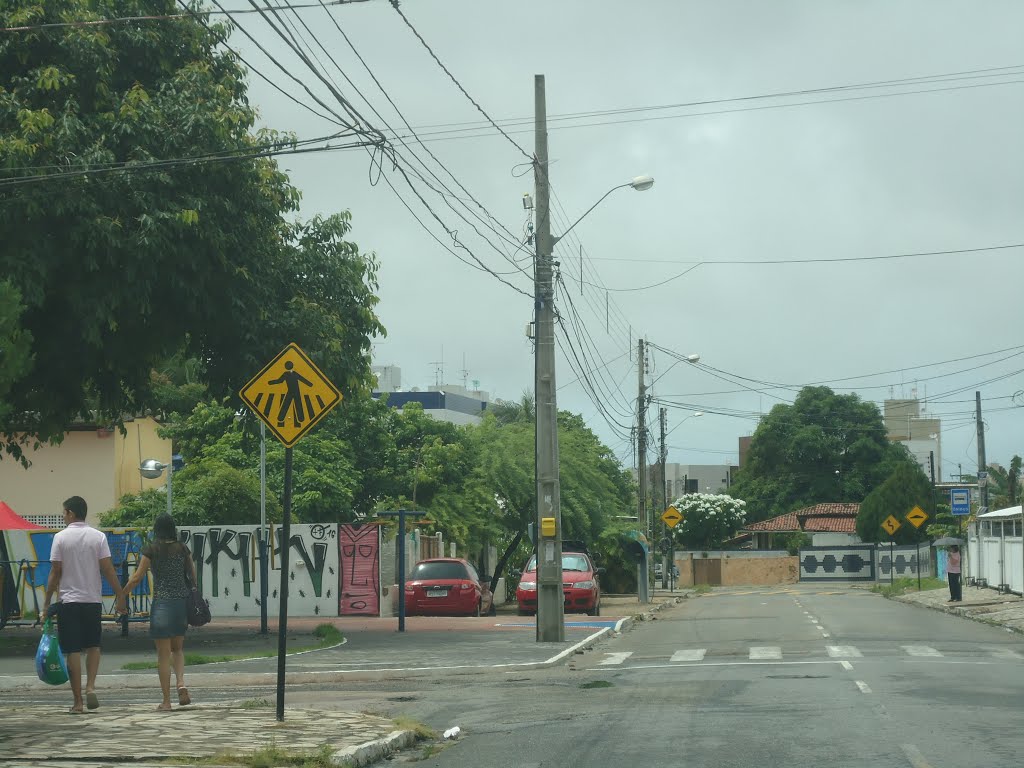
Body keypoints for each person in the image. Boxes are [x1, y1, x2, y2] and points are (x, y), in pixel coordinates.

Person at [42, 496, 128, 714]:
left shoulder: (60, 538)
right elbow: (108, 569)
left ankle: (78, 702)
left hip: (68, 602)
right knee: (93, 645)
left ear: (71, 513)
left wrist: (46, 602)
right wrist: (120, 595)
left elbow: (55, 572)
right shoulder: (98, 537)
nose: (62, 517)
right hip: (92, 600)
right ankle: (90, 686)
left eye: (63, 513)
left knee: (72, 650)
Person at [122, 512, 196, 711]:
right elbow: (192, 575)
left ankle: (166, 701)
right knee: (178, 649)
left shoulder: (151, 549)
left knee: (163, 655)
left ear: (157, 529)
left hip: (162, 604)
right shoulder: (182, 549)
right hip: (181, 603)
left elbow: (137, 577)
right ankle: (181, 683)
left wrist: (123, 595)